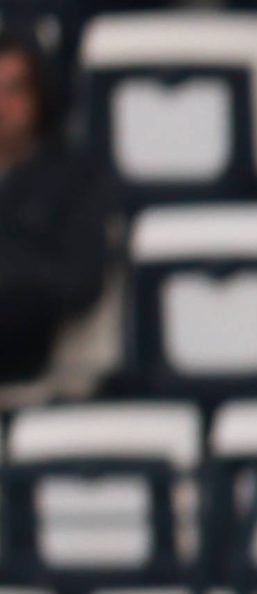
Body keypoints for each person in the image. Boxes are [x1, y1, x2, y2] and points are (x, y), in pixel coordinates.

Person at [0, 29, 111, 387]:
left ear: (40, 97)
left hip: (30, 363)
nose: (1, 105)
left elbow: (81, 283)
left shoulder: (76, 180)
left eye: (14, 89)